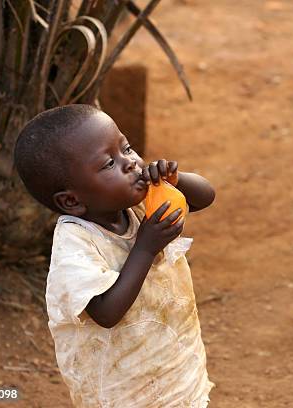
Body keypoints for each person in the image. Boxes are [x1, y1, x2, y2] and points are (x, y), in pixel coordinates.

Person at [13, 104, 216, 407]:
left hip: (174, 367)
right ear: (72, 200)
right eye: (109, 164)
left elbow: (205, 197)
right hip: (123, 390)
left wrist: (177, 181)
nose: (131, 163)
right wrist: (146, 247)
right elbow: (106, 312)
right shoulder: (76, 244)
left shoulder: (133, 200)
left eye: (127, 148)